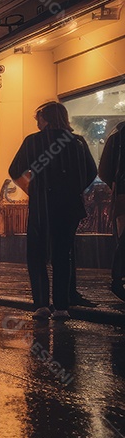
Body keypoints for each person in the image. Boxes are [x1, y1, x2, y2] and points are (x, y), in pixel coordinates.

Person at [9, 100, 97, 320]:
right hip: (69, 207)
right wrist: (74, 189)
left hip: (42, 206)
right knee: (63, 254)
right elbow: (91, 171)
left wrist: (32, 189)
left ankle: (41, 304)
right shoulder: (77, 142)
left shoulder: (33, 142)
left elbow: (15, 170)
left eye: (38, 117)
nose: (37, 122)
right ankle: (61, 306)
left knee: (37, 254)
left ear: (45, 118)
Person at [98, 121, 125, 302]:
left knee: (123, 237)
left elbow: (104, 170)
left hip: (123, 193)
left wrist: (115, 186)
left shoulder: (117, 135)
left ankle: (118, 278)